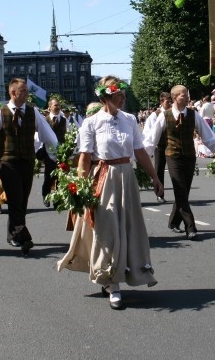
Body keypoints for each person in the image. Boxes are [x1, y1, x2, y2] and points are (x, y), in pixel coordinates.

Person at [57, 76, 163, 310]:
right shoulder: (92, 122)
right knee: (108, 229)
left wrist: (155, 177)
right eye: (119, 96)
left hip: (126, 176)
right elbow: (85, 158)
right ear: (106, 97)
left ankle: (130, 272)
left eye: (124, 95)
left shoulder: (130, 119)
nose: (123, 99)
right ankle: (111, 282)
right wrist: (81, 187)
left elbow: (140, 150)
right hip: (103, 177)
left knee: (128, 227)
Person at [0, 78, 59, 255]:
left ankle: (13, 235)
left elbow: (48, 136)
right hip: (8, 163)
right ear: (13, 93)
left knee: (22, 201)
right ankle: (23, 237)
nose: (27, 94)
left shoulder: (33, 112)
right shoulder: (0, 112)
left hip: (27, 162)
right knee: (14, 198)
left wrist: (57, 154)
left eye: (27, 91)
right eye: (24, 91)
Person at [145, 84, 215, 240]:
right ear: (175, 97)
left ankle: (174, 221)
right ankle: (191, 226)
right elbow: (151, 139)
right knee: (180, 189)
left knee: (183, 191)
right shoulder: (165, 115)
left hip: (189, 156)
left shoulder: (193, 114)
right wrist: (142, 156)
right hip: (173, 156)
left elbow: (207, 134)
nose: (187, 97)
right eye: (183, 95)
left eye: (187, 94)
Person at [142, 92, 171, 203]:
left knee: (175, 171)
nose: (170, 104)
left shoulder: (173, 113)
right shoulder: (155, 115)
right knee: (159, 170)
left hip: (172, 145)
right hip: (160, 146)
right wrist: (148, 147)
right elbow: (148, 132)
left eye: (171, 102)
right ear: (161, 102)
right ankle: (160, 194)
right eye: (167, 102)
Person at [41, 96, 68, 207]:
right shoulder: (45, 120)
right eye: (55, 105)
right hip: (48, 152)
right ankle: (46, 196)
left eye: (59, 105)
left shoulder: (64, 120)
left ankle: (57, 199)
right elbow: (40, 136)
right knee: (49, 176)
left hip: (61, 152)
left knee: (60, 177)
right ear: (50, 107)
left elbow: (67, 134)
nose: (57, 107)